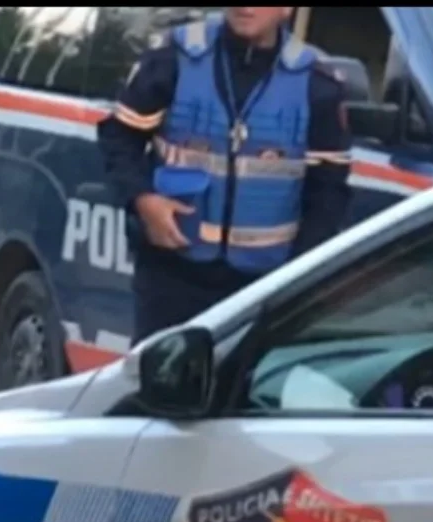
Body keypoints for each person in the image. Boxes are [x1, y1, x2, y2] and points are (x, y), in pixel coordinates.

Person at [98, 7, 352, 346]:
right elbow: (119, 137)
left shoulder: (315, 83)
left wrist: (297, 279)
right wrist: (143, 201)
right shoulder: (175, 58)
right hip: (172, 275)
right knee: (161, 377)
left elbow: (328, 193)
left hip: (265, 287)